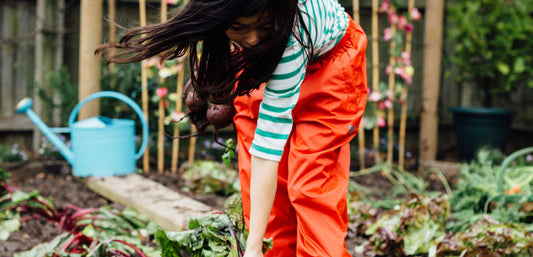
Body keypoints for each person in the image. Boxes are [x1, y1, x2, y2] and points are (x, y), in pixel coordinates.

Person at [96, 0, 367, 256]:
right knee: (266, 192)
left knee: (310, 185)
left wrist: (251, 247)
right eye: (239, 28)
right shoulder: (249, 30)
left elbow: (268, 148)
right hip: (272, 52)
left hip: (330, 68)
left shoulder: (289, 37)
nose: (252, 39)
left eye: (260, 25)